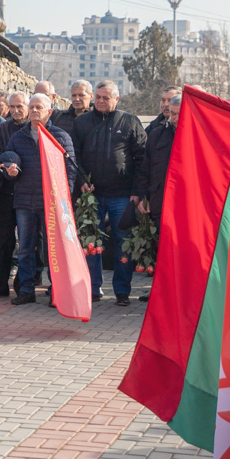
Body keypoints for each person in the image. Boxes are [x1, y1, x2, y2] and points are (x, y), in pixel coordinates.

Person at [74, 80, 145, 306]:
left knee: (123, 242)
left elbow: (143, 159)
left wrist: (136, 192)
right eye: (98, 97)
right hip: (91, 196)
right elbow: (72, 155)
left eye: (106, 98)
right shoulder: (82, 122)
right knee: (92, 243)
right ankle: (93, 289)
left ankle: (122, 291)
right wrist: (82, 180)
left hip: (122, 195)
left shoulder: (130, 121)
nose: (101, 101)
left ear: (117, 99)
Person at [4, 94, 75, 305]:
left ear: (49, 112)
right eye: (32, 107)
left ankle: (57, 290)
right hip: (25, 202)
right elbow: (8, 166)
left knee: (53, 248)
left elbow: (70, 171)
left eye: (39, 107)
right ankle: (26, 290)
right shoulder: (18, 137)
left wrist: (64, 201)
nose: (34, 111)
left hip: (52, 204)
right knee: (25, 247)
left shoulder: (60, 137)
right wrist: (10, 171)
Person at [0, 92, 28, 299]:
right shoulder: (2, 128)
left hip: (28, 193)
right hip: (5, 192)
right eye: (13, 107)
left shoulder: (35, 129)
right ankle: (0, 285)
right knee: (2, 241)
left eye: (20, 106)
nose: (16, 110)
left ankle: (23, 286)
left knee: (28, 242)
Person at [136, 94, 180, 226]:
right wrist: (144, 197)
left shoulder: (198, 137)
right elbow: (145, 169)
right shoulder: (156, 135)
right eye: (173, 114)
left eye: (180, 114)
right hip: (160, 205)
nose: (176, 119)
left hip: (188, 207)